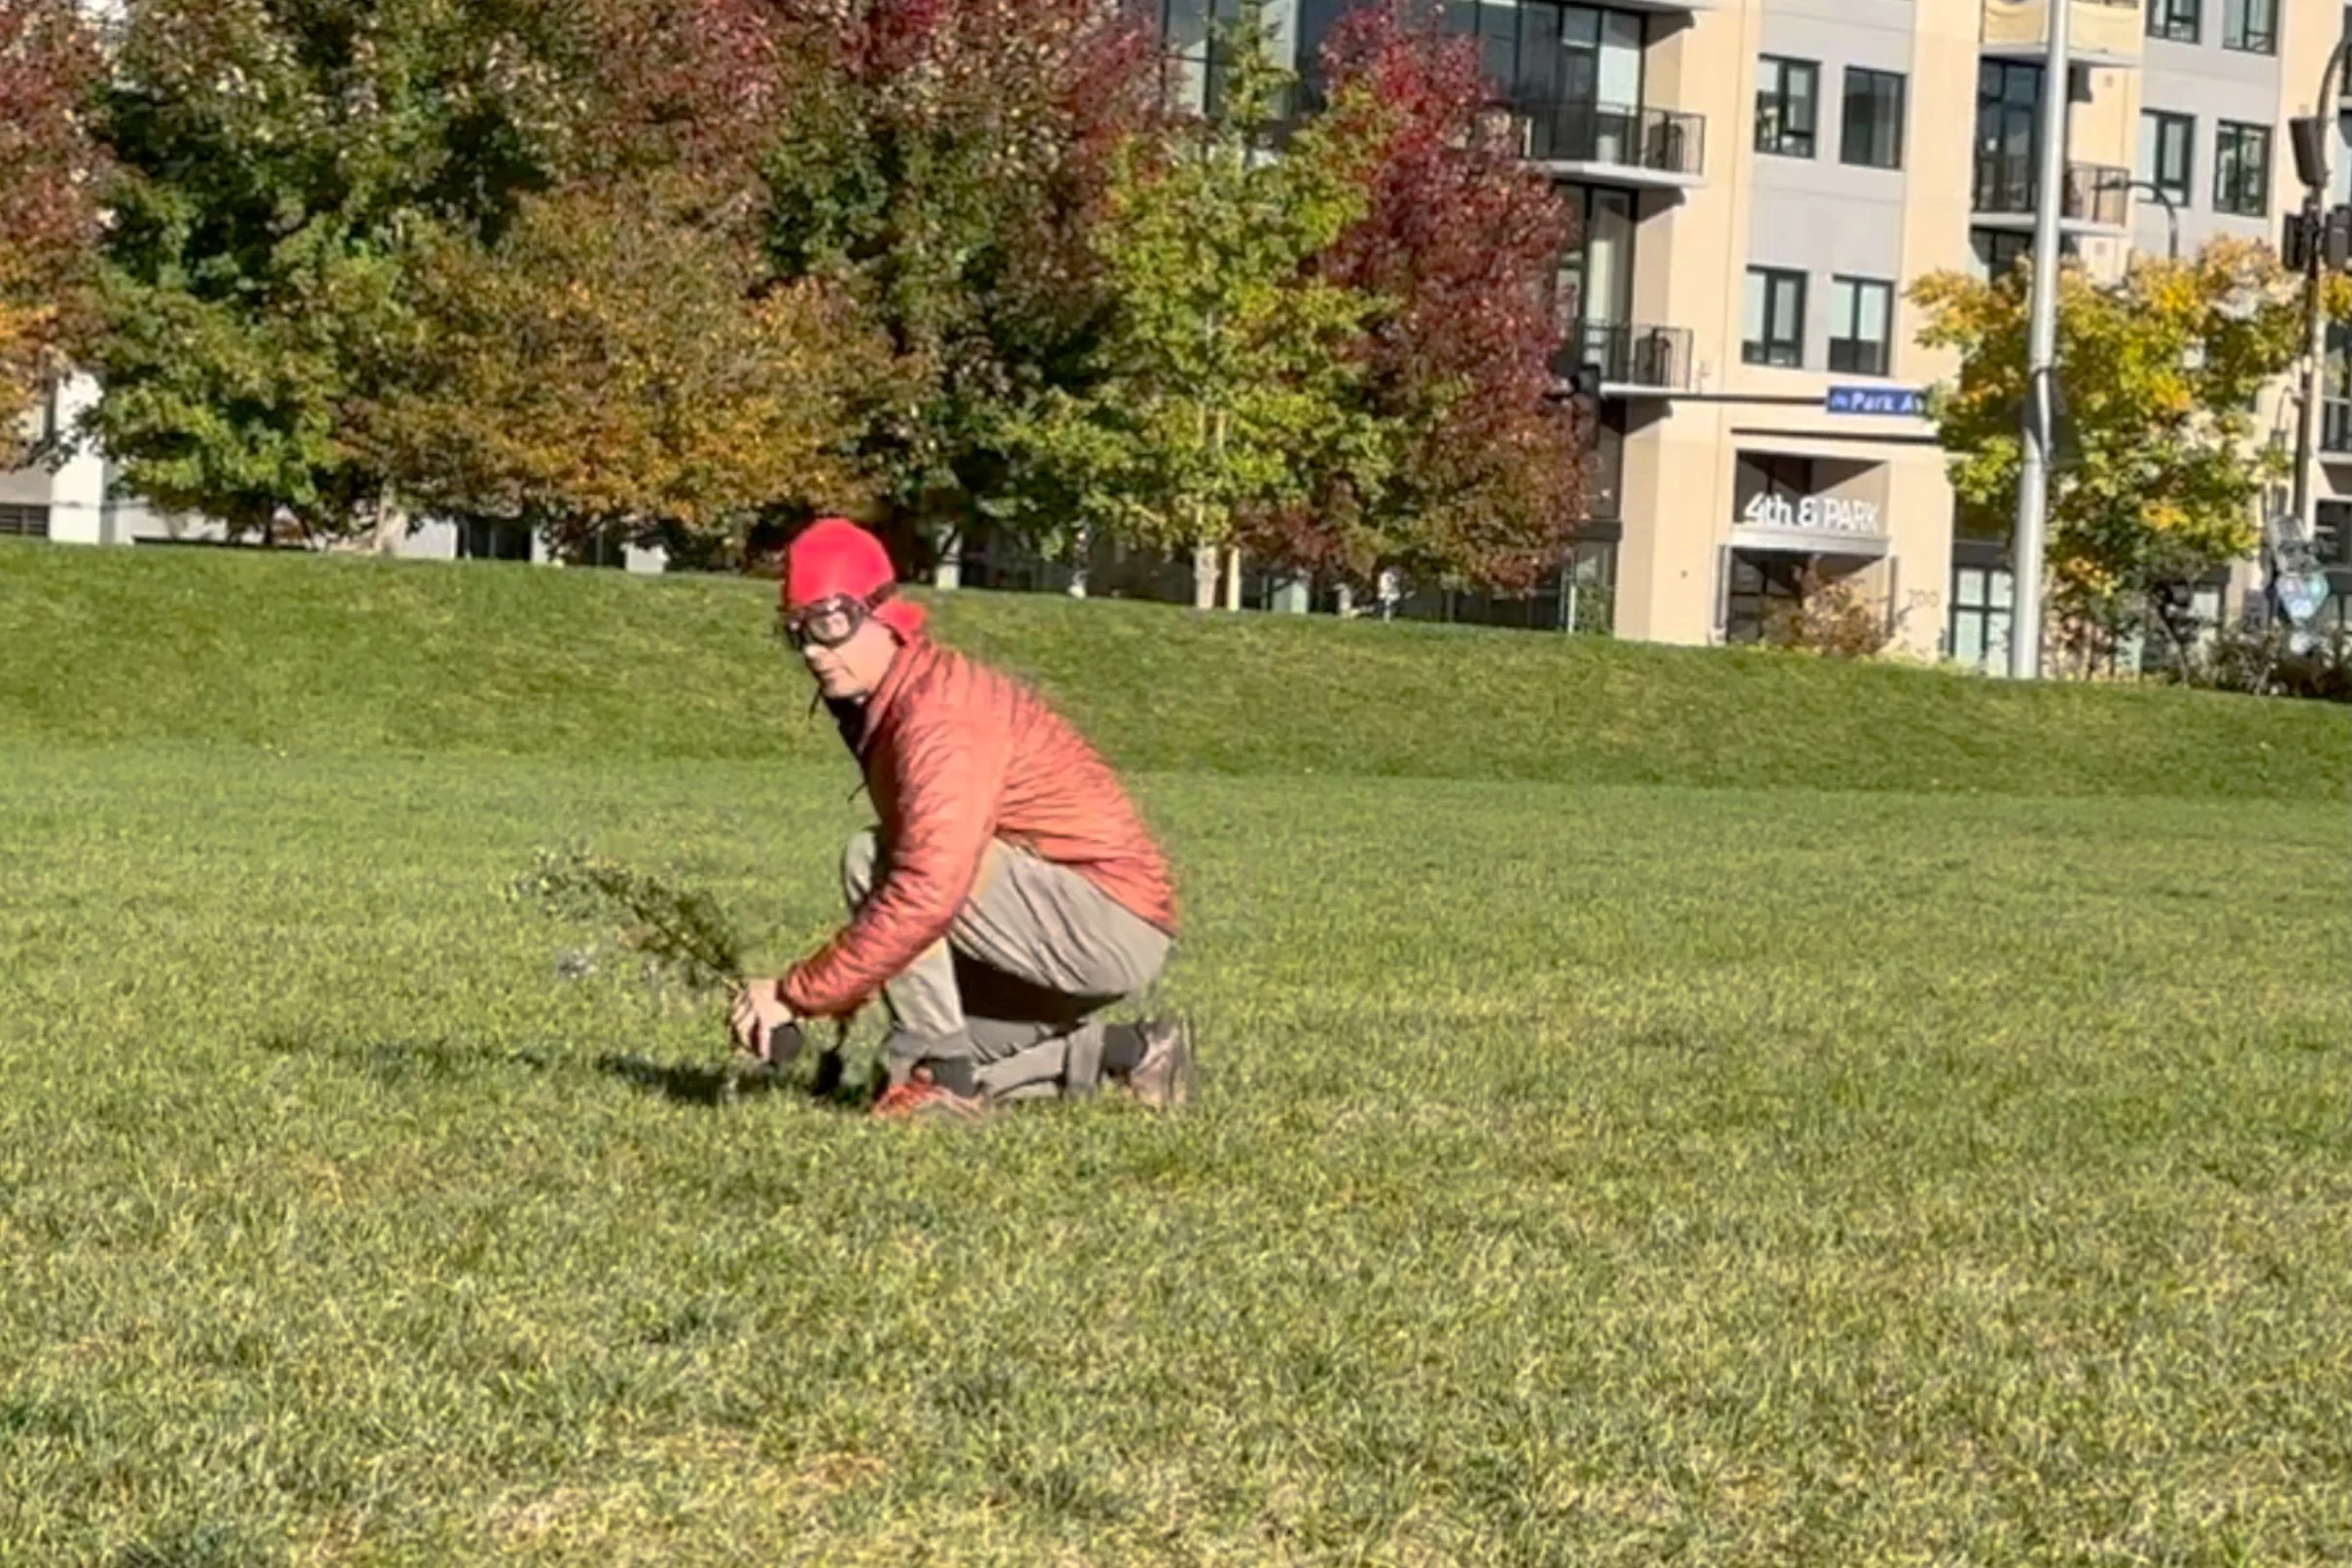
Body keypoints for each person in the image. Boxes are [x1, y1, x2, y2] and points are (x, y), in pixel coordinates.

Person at [728, 517, 1191, 1121]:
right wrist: (844, 988)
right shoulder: (895, 696)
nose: (814, 647)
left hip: (1104, 921)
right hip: (1064, 925)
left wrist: (796, 994)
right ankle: (1137, 1052)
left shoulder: (938, 719)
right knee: (897, 1080)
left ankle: (947, 1077)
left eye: (831, 621)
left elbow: (925, 890)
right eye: (797, 631)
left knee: (876, 858)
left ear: (883, 613)